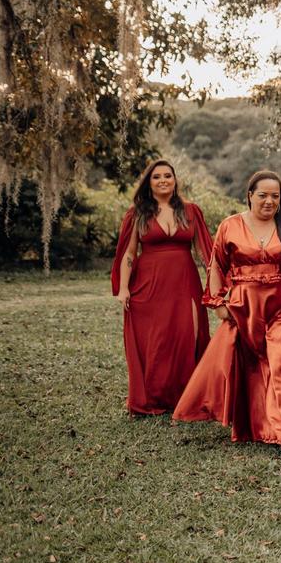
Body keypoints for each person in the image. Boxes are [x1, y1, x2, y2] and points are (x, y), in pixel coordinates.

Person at [173, 171, 281, 450]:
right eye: (263, 195)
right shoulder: (230, 225)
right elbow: (217, 266)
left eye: (275, 196)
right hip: (244, 306)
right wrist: (218, 304)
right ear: (250, 195)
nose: (269, 201)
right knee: (252, 368)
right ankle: (258, 426)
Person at [111, 159, 213, 416]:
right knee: (156, 341)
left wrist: (216, 280)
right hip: (149, 284)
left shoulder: (191, 211)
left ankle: (187, 396)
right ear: (149, 183)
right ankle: (155, 397)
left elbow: (205, 252)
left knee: (188, 334)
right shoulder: (137, 213)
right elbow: (129, 254)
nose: (163, 180)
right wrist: (123, 288)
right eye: (157, 177)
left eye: (168, 175)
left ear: (175, 180)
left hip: (184, 281)